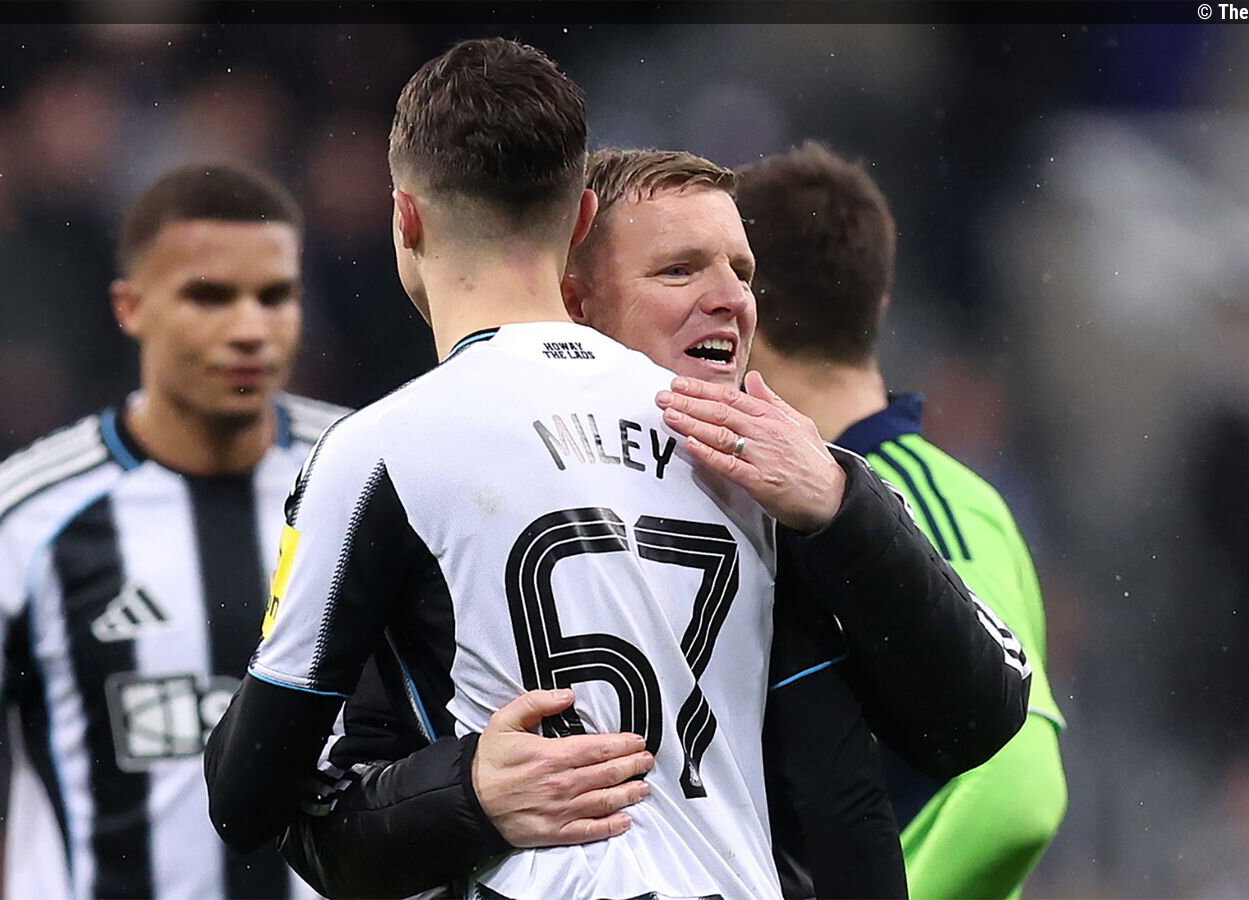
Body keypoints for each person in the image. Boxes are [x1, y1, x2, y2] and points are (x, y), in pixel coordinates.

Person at [206, 41, 1026, 899]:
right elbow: (324, 819)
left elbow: (980, 722)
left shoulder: (800, 490)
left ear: (406, 220)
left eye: (743, 271)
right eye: (679, 270)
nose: (732, 298)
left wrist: (843, 504)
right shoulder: (428, 498)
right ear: (575, 268)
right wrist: (467, 795)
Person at [0, 163, 338, 899]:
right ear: (131, 307)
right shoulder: (20, 519)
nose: (250, 328)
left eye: (274, 296)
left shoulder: (372, 481)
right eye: (209, 296)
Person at [736, 141, 1067, 899]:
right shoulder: (803, 506)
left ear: (741, 306)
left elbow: (1017, 793)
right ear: (877, 303)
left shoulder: (916, 501)